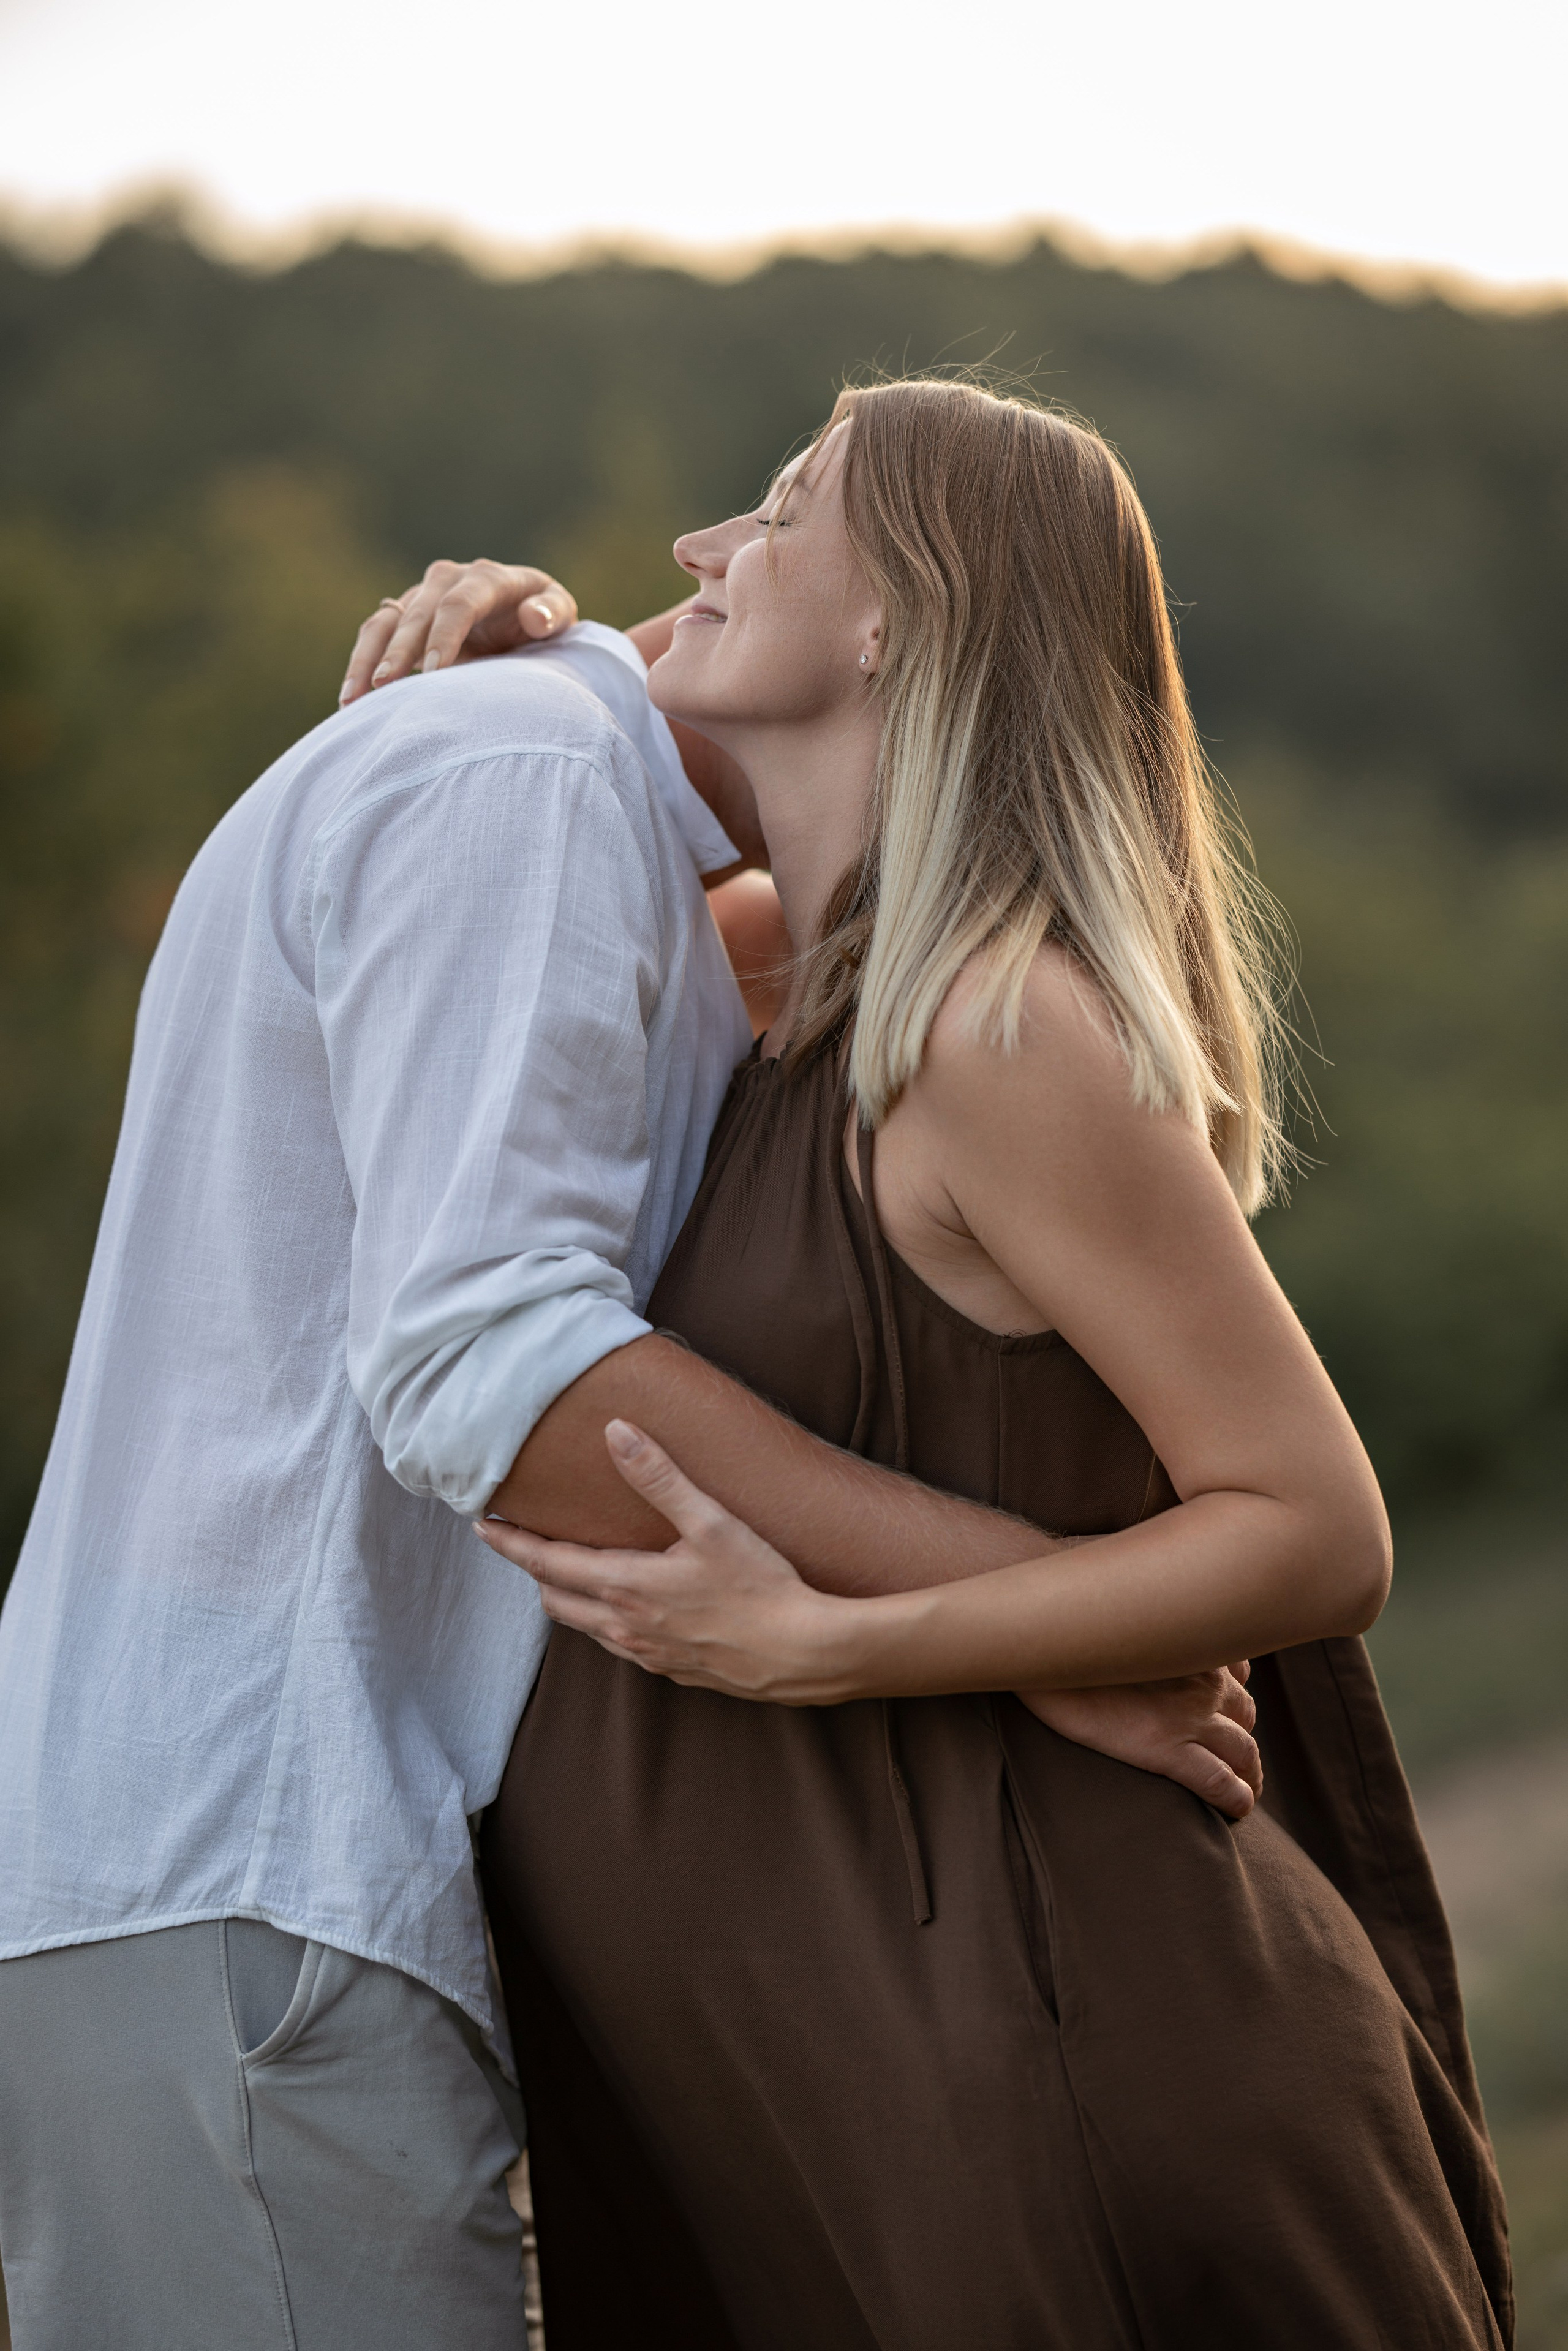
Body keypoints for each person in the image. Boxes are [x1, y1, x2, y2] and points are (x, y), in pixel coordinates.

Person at [381, 382, 1513, 2350]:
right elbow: (511, 877)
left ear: (905, 611)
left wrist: (832, 1642)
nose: (702, 550)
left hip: (1073, 2052)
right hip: (867, 2082)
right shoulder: (768, 994)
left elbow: (1316, 1531)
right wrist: (519, 645)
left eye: (783, 506)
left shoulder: (992, 1029)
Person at [0, 580, 1260, 2345]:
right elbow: (489, 1373)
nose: (715, 543)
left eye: (784, 522)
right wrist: (1043, 1619)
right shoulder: (517, 784)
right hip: (256, 1860)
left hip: (292, 1893)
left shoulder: (610, 842)